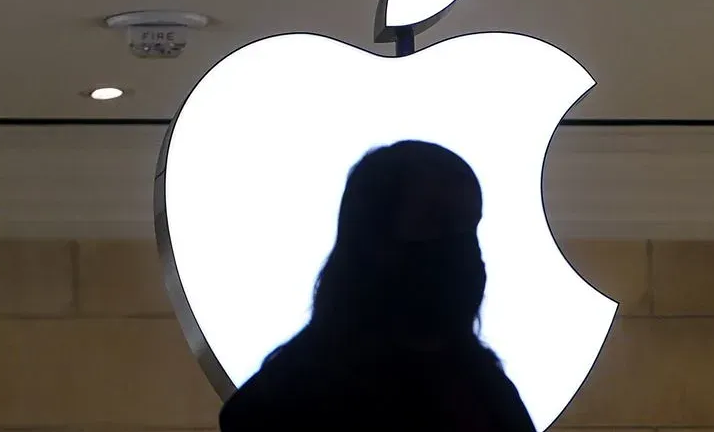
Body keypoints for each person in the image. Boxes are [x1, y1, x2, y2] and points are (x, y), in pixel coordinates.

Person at [219, 140, 537, 432]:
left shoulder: (485, 387)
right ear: (374, 241)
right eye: (436, 223)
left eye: (469, 228)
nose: (461, 249)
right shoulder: (282, 402)